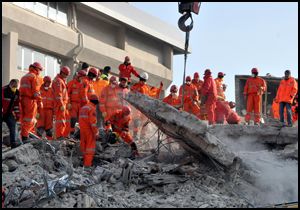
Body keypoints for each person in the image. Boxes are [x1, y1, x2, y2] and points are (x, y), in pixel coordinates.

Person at [19, 62, 43, 143]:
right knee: (30, 119)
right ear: (36, 69)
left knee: (24, 119)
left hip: (22, 99)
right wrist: (40, 102)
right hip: (30, 100)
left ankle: (26, 135)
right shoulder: (34, 77)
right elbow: (36, 91)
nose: (40, 72)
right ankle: (25, 137)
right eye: (40, 70)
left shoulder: (24, 77)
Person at [79, 94, 99, 169]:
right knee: (90, 149)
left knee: (83, 147)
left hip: (82, 130)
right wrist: (96, 133)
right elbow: (93, 123)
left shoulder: (83, 108)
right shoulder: (92, 109)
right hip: (89, 131)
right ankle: (87, 165)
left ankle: (82, 163)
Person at [52, 66, 70, 139]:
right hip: (60, 104)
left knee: (64, 120)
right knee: (60, 120)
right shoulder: (58, 81)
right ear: (62, 73)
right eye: (65, 74)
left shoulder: (61, 80)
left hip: (63, 104)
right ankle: (59, 136)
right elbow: (58, 94)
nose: (66, 76)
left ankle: (63, 135)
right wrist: (61, 104)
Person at [2, 79, 21, 148]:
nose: (14, 87)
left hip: (8, 113)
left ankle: (13, 143)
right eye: (13, 86)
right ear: (10, 83)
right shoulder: (3, 90)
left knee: (13, 126)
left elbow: (16, 105)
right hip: (2, 112)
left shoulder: (17, 92)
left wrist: (17, 114)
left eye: (16, 86)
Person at [67, 70, 87, 135]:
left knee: (80, 121)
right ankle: (71, 133)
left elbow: (85, 96)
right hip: (73, 104)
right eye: (82, 77)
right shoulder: (71, 83)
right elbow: (67, 94)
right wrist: (68, 103)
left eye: (83, 78)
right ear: (78, 76)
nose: (82, 79)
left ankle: (77, 135)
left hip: (81, 105)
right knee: (73, 118)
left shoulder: (84, 84)